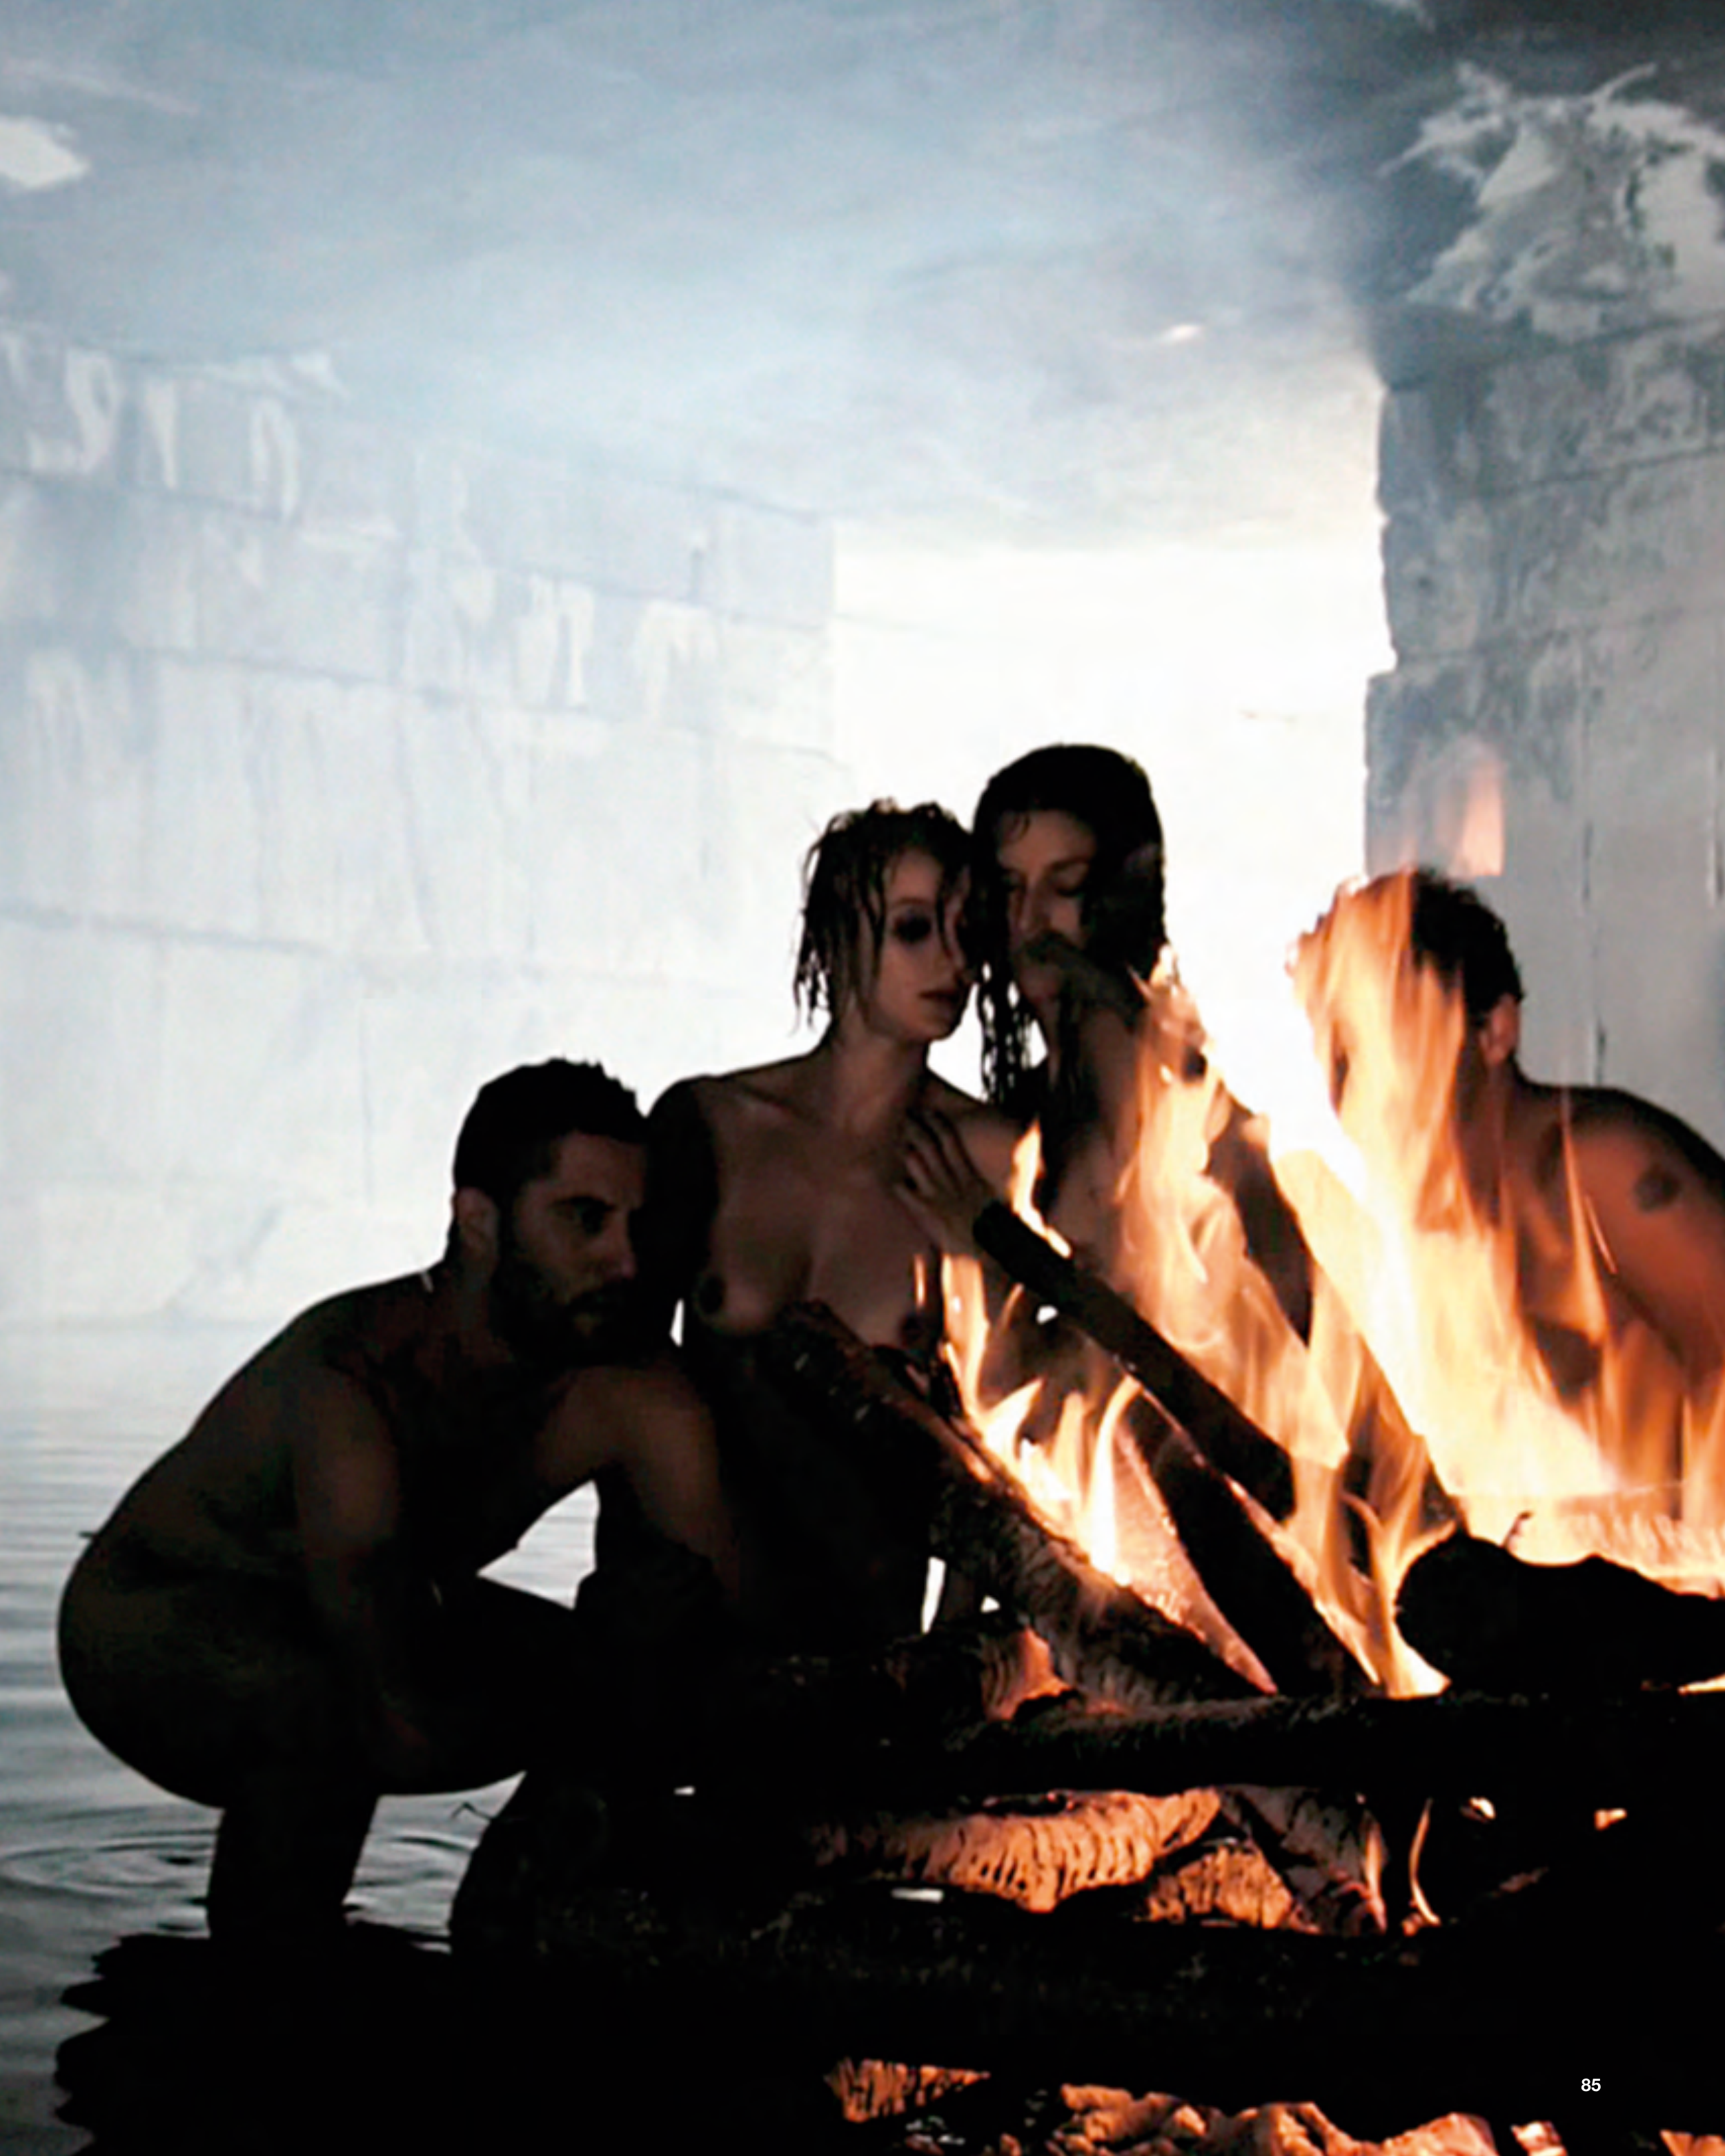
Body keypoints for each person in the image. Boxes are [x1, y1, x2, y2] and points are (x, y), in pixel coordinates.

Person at [57, 1059, 739, 1948]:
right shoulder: (353, 1383)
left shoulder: (626, 1378)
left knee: (647, 1674)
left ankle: (516, 1918)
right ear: (479, 1221)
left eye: (635, 1225)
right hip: (157, 1619)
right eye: (584, 1219)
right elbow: (395, 1712)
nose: (626, 1260)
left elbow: (730, 1619)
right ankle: (262, 1981)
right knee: (317, 1710)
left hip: (386, 1599)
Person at [642, 801, 1017, 1651]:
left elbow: (1001, 1418)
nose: (955, 962)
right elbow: (625, 1370)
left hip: (864, 1640)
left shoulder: (986, 1156)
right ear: (838, 938)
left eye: (967, 932)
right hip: (687, 1628)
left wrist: (953, 1636)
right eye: (914, 929)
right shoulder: (712, 1123)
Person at [1292, 868, 1725, 1500]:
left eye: (1388, 1033)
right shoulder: (1443, 1233)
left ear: (1495, 1031)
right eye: (1338, 1049)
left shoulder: (1602, 1168)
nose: (1353, 1082)